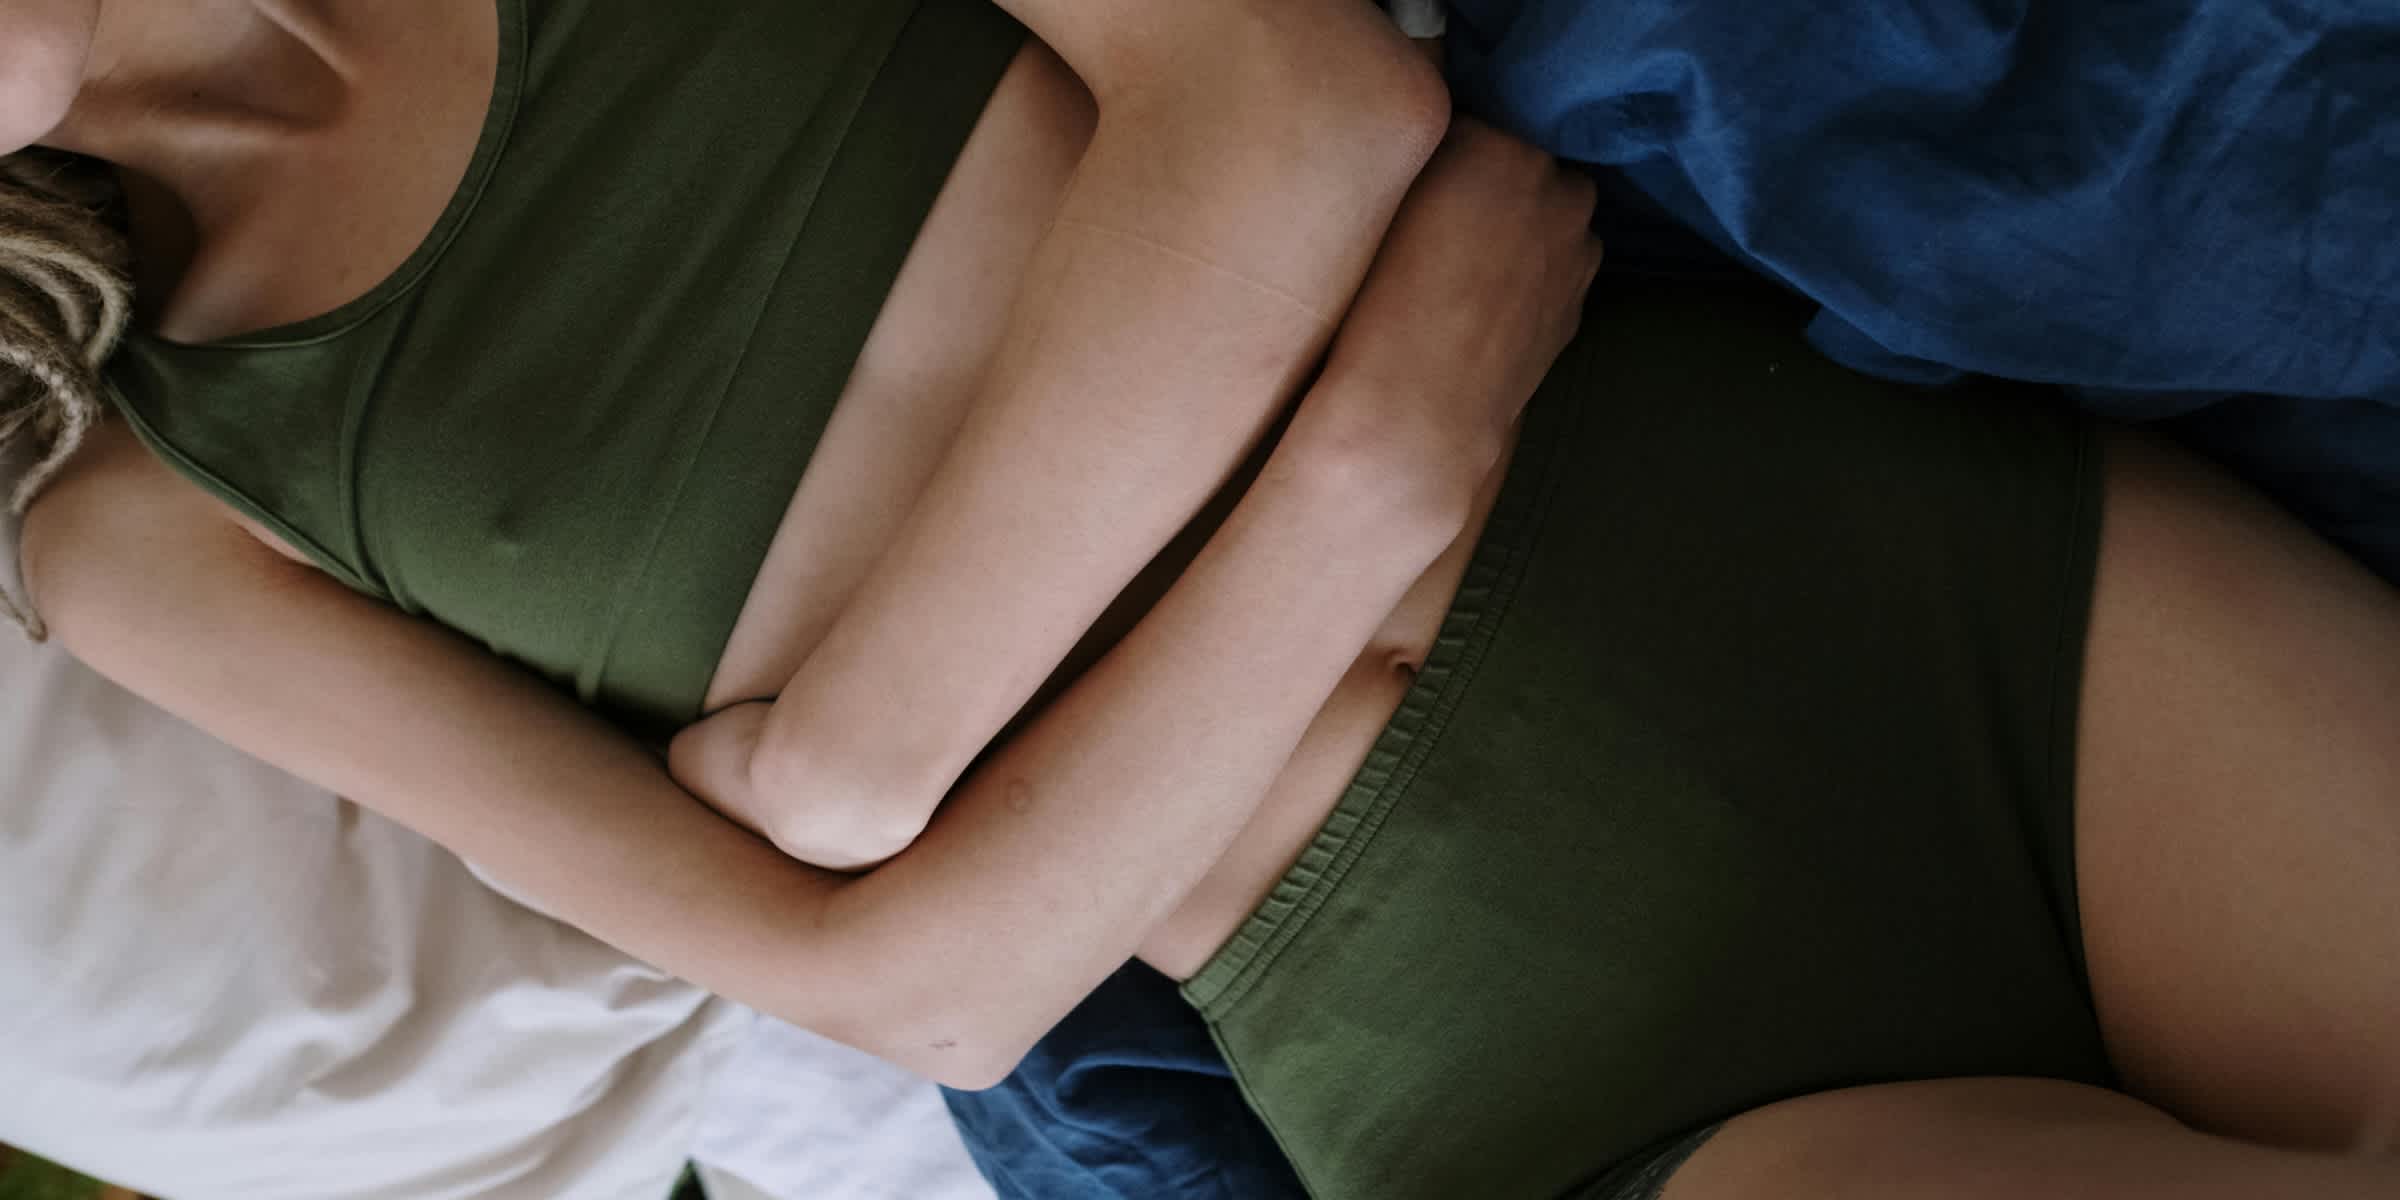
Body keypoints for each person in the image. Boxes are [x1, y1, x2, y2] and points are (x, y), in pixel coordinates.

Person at [5, 3, 2397, 1199]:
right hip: (1535, 1059)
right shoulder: (146, 528)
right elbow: (921, 987)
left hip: (1932, 603)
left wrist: (858, 761)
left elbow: (1297, 99)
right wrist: (1372, 459)